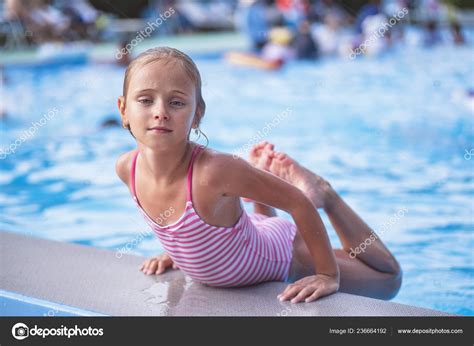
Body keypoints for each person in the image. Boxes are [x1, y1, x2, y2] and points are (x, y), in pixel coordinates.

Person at [115, 47, 402, 302]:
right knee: (249, 209)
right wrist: (179, 254)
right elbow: (179, 218)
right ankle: (261, 181)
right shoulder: (127, 168)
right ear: (123, 109)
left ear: (197, 114)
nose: (160, 112)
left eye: (176, 102)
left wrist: (327, 275)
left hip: (280, 253)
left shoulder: (215, 170)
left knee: (388, 281)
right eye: (145, 100)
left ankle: (325, 194)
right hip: (246, 236)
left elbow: (298, 203)